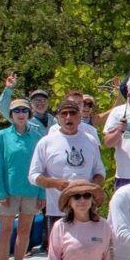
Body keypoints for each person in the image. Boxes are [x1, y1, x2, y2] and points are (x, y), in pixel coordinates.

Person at [29, 99, 107, 251]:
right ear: (58, 118)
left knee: (88, 250)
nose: (68, 117)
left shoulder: (90, 140)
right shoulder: (46, 142)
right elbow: (33, 175)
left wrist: (90, 187)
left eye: (72, 113)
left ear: (79, 117)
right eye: (64, 114)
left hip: (86, 208)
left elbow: (100, 171)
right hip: (58, 210)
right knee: (59, 252)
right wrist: (55, 183)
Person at [0, 98, 44, 260]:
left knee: (24, 231)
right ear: (11, 114)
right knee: (5, 231)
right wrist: (0, 192)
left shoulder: (36, 137)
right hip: (9, 192)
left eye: (24, 110)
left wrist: (42, 193)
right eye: (16, 110)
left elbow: (42, 166)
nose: (21, 114)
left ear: (29, 113)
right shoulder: (2, 136)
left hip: (31, 190)